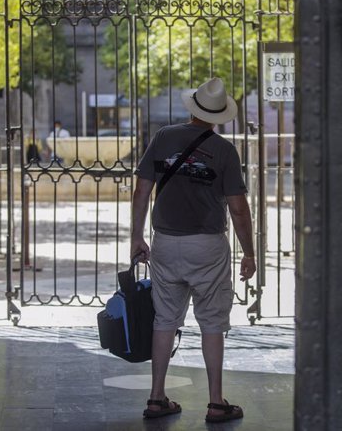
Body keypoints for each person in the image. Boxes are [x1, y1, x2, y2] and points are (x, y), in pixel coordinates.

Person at [131, 77, 256, 423]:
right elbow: (239, 208)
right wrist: (249, 252)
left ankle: (156, 397)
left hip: (166, 243)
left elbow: (141, 191)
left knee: (165, 319)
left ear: (193, 106)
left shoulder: (162, 138)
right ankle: (216, 403)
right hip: (208, 246)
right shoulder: (225, 151)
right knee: (212, 322)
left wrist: (136, 237)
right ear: (218, 115)